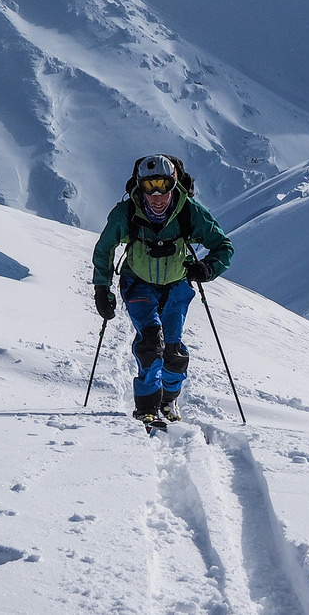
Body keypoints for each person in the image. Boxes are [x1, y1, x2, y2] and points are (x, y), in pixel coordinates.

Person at [92, 154, 232, 430]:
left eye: (163, 187)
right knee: (149, 343)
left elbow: (223, 246)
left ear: (174, 183)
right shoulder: (127, 212)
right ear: (139, 186)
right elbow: (105, 249)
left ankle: (169, 399)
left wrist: (207, 268)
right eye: (149, 187)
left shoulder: (189, 211)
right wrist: (101, 289)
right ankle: (147, 406)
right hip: (138, 283)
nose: (157, 196)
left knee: (174, 351)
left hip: (177, 286)